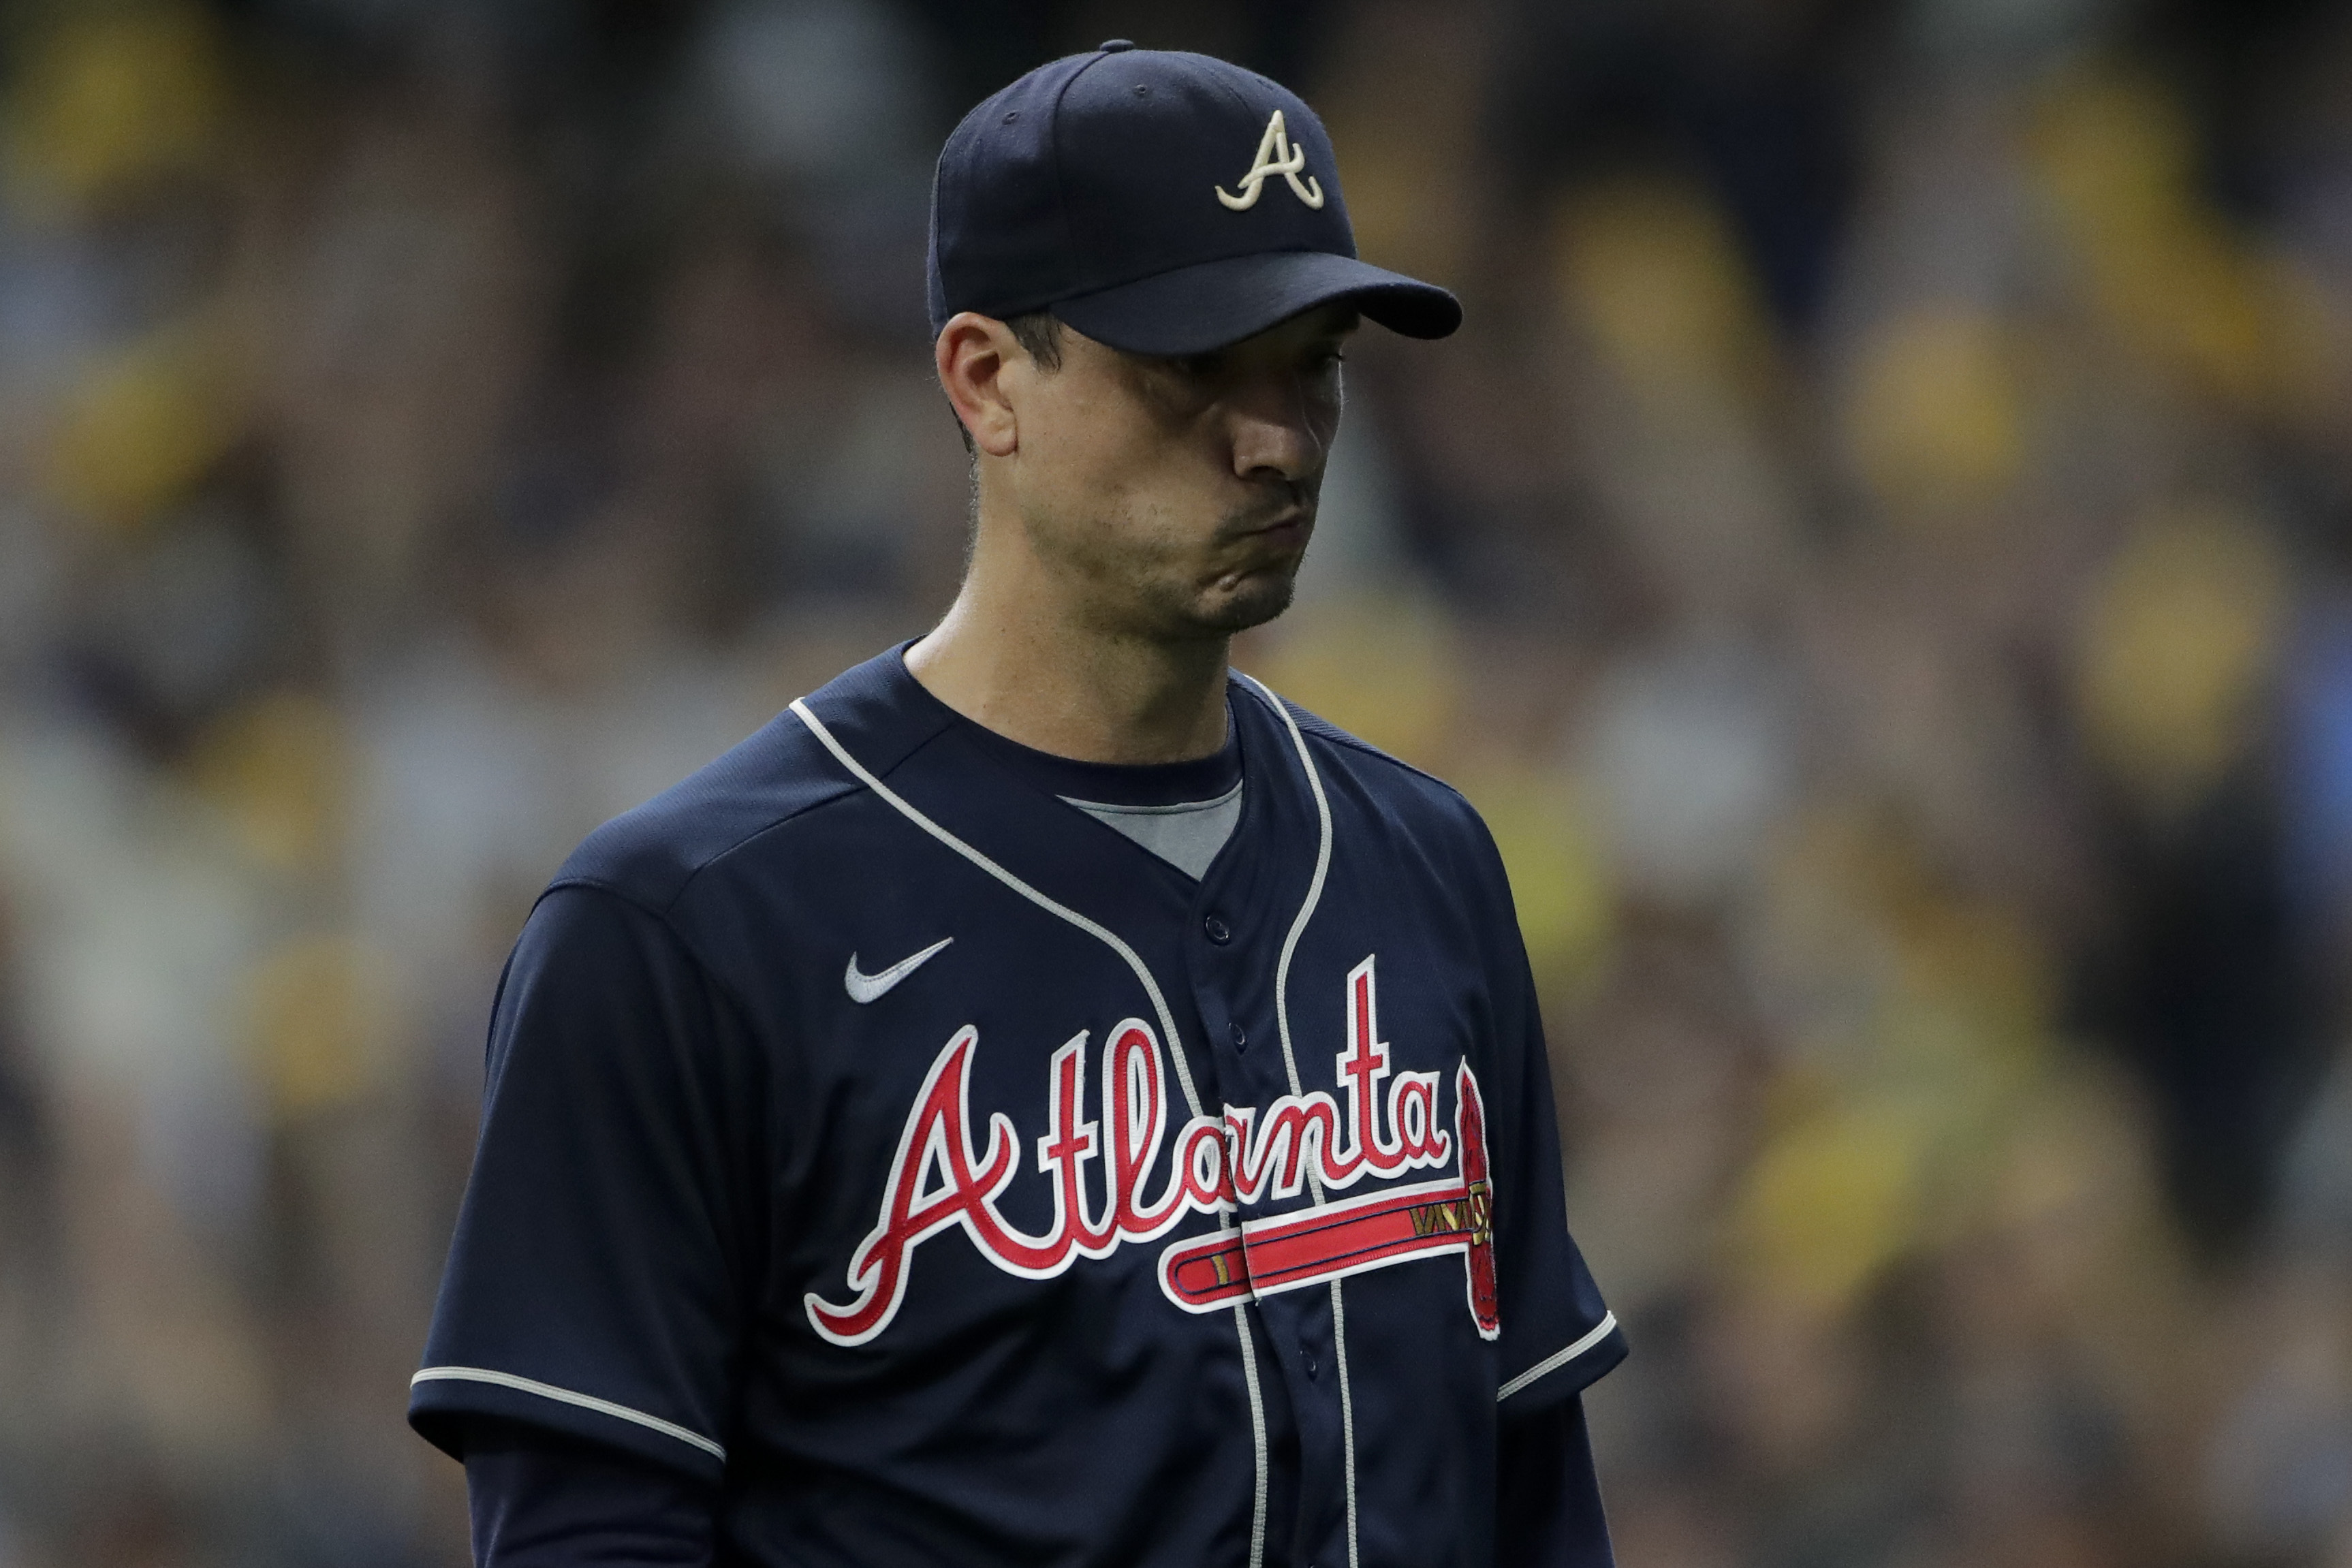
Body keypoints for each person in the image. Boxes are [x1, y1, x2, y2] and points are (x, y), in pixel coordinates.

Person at [411, 42, 1626, 1567]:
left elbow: (1530, 1489)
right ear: (985, 378)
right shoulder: (684, 929)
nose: (1279, 438)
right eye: (1195, 364)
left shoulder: (1424, 861)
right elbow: (593, 1535)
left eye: (1311, 359)